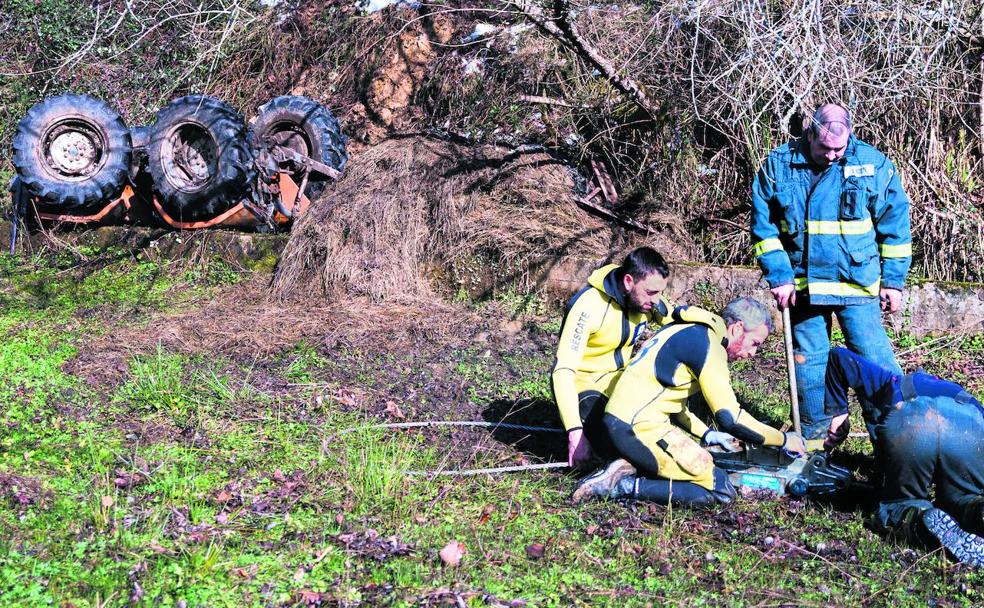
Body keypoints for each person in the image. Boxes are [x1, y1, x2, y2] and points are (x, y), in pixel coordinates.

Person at [750, 103, 912, 446]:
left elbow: (896, 227)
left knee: (875, 364)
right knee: (810, 365)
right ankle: (817, 442)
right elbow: (764, 229)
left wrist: (893, 281)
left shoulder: (873, 165)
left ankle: (896, 442)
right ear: (810, 134)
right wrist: (779, 276)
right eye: (825, 148)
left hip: (857, 285)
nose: (834, 155)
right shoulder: (778, 165)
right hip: (803, 288)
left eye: (840, 148)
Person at [572, 297, 807, 506]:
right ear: (736, 329)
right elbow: (730, 417)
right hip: (636, 429)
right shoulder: (710, 346)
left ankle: (625, 465)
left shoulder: (688, 328)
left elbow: (670, 399)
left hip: (623, 421)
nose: (753, 354)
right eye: (754, 343)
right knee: (721, 490)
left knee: (698, 465)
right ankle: (620, 486)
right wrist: (784, 439)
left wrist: (706, 434)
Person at [822, 347, 984, 565]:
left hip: (912, 421)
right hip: (968, 425)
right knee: (964, 496)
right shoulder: (966, 397)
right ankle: (976, 512)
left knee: (901, 502)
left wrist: (839, 413)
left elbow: (837, 356)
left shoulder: (892, 380)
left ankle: (919, 519)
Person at [551, 247, 675, 469]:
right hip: (585, 385)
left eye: (660, 293)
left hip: (621, 382)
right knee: (612, 431)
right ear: (628, 281)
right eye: (651, 293)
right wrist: (574, 432)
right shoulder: (588, 305)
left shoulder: (645, 298)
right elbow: (562, 371)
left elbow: (677, 322)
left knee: (656, 414)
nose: (657, 301)